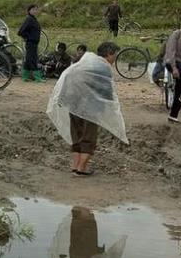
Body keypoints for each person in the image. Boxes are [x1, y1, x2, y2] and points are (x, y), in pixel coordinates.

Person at [47, 42, 126, 176]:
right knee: (88, 139)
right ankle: (81, 169)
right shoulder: (103, 67)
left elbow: (69, 77)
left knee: (76, 136)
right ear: (109, 54)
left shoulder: (85, 61)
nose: (115, 59)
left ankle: (75, 166)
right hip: (90, 108)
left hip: (73, 105)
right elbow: (106, 92)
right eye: (115, 55)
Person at [17, 4, 44, 82]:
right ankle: (37, 77)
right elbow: (20, 32)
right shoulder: (29, 19)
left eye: (36, 9)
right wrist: (27, 37)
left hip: (34, 43)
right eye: (33, 9)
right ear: (29, 11)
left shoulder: (33, 19)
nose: (35, 11)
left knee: (29, 59)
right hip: (31, 42)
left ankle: (25, 76)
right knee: (33, 59)